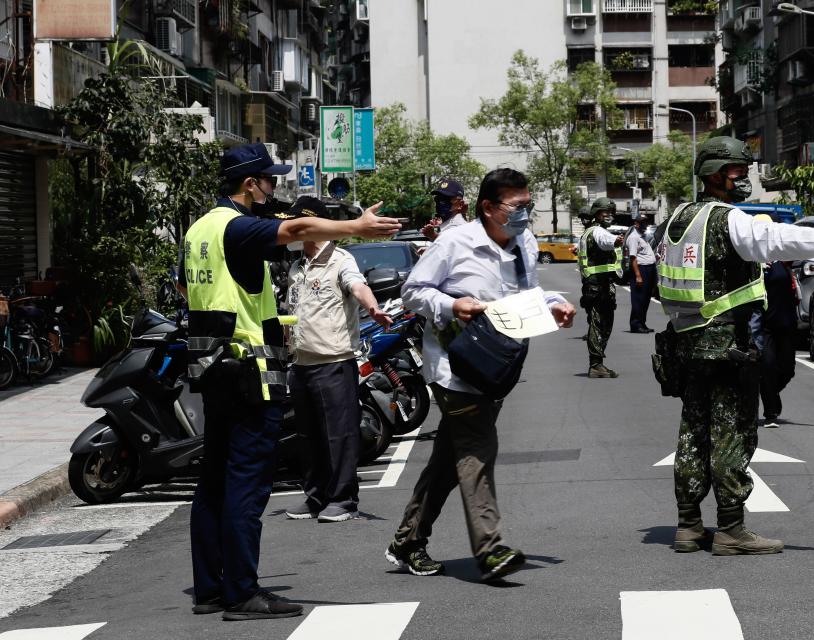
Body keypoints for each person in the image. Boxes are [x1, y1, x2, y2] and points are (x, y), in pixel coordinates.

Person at [181, 142, 400, 621]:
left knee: (214, 480)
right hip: (248, 373)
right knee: (246, 484)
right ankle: (241, 592)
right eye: (270, 179)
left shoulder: (199, 229)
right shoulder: (237, 228)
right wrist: (355, 227)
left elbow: (193, 289)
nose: (273, 187)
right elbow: (298, 227)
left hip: (212, 368)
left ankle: (210, 587)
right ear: (249, 184)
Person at [653, 136, 814, 556]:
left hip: (684, 344)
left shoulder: (678, 218)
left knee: (694, 433)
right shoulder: (725, 218)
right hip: (726, 346)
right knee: (732, 433)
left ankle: (688, 526)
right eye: (737, 172)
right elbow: (768, 238)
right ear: (714, 174)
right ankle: (731, 530)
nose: (744, 179)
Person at [385, 168, 576, 582]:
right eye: (518, 206)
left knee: (449, 462)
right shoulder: (455, 242)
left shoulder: (523, 241)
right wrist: (454, 306)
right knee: (477, 449)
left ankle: (408, 539)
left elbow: (527, 293)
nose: (526, 213)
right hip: (455, 366)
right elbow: (413, 292)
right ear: (488, 208)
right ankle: (490, 549)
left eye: (529, 204)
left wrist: (555, 302)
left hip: (497, 363)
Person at [284, 205, 394, 523]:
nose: (296, 231)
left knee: (339, 434)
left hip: (334, 362)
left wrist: (372, 309)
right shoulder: (296, 268)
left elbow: (358, 286)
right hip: (300, 363)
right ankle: (315, 496)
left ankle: (343, 499)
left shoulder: (341, 260)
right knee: (308, 436)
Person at [749, 215, 800, 428]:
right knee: (767, 367)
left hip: (787, 323)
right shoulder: (752, 259)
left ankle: (768, 392)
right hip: (765, 325)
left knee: (787, 370)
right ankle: (771, 411)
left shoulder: (782, 256)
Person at [579, 197, 624, 378]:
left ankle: (597, 363)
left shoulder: (589, 231)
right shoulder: (597, 231)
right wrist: (616, 241)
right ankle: (596, 364)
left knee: (599, 324)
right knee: (600, 325)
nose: (609, 215)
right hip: (599, 286)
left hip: (596, 285)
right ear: (596, 214)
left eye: (611, 212)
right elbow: (605, 240)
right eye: (605, 212)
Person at [625, 213, 657, 333]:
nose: (645, 225)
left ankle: (642, 323)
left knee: (646, 298)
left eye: (646, 222)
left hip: (649, 269)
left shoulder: (642, 236)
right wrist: (638, 275)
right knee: (638, 299)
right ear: (636, 224)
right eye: (642, 223)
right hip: (641, 269)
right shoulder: (633, 237)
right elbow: (633, 258)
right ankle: (636, 324)